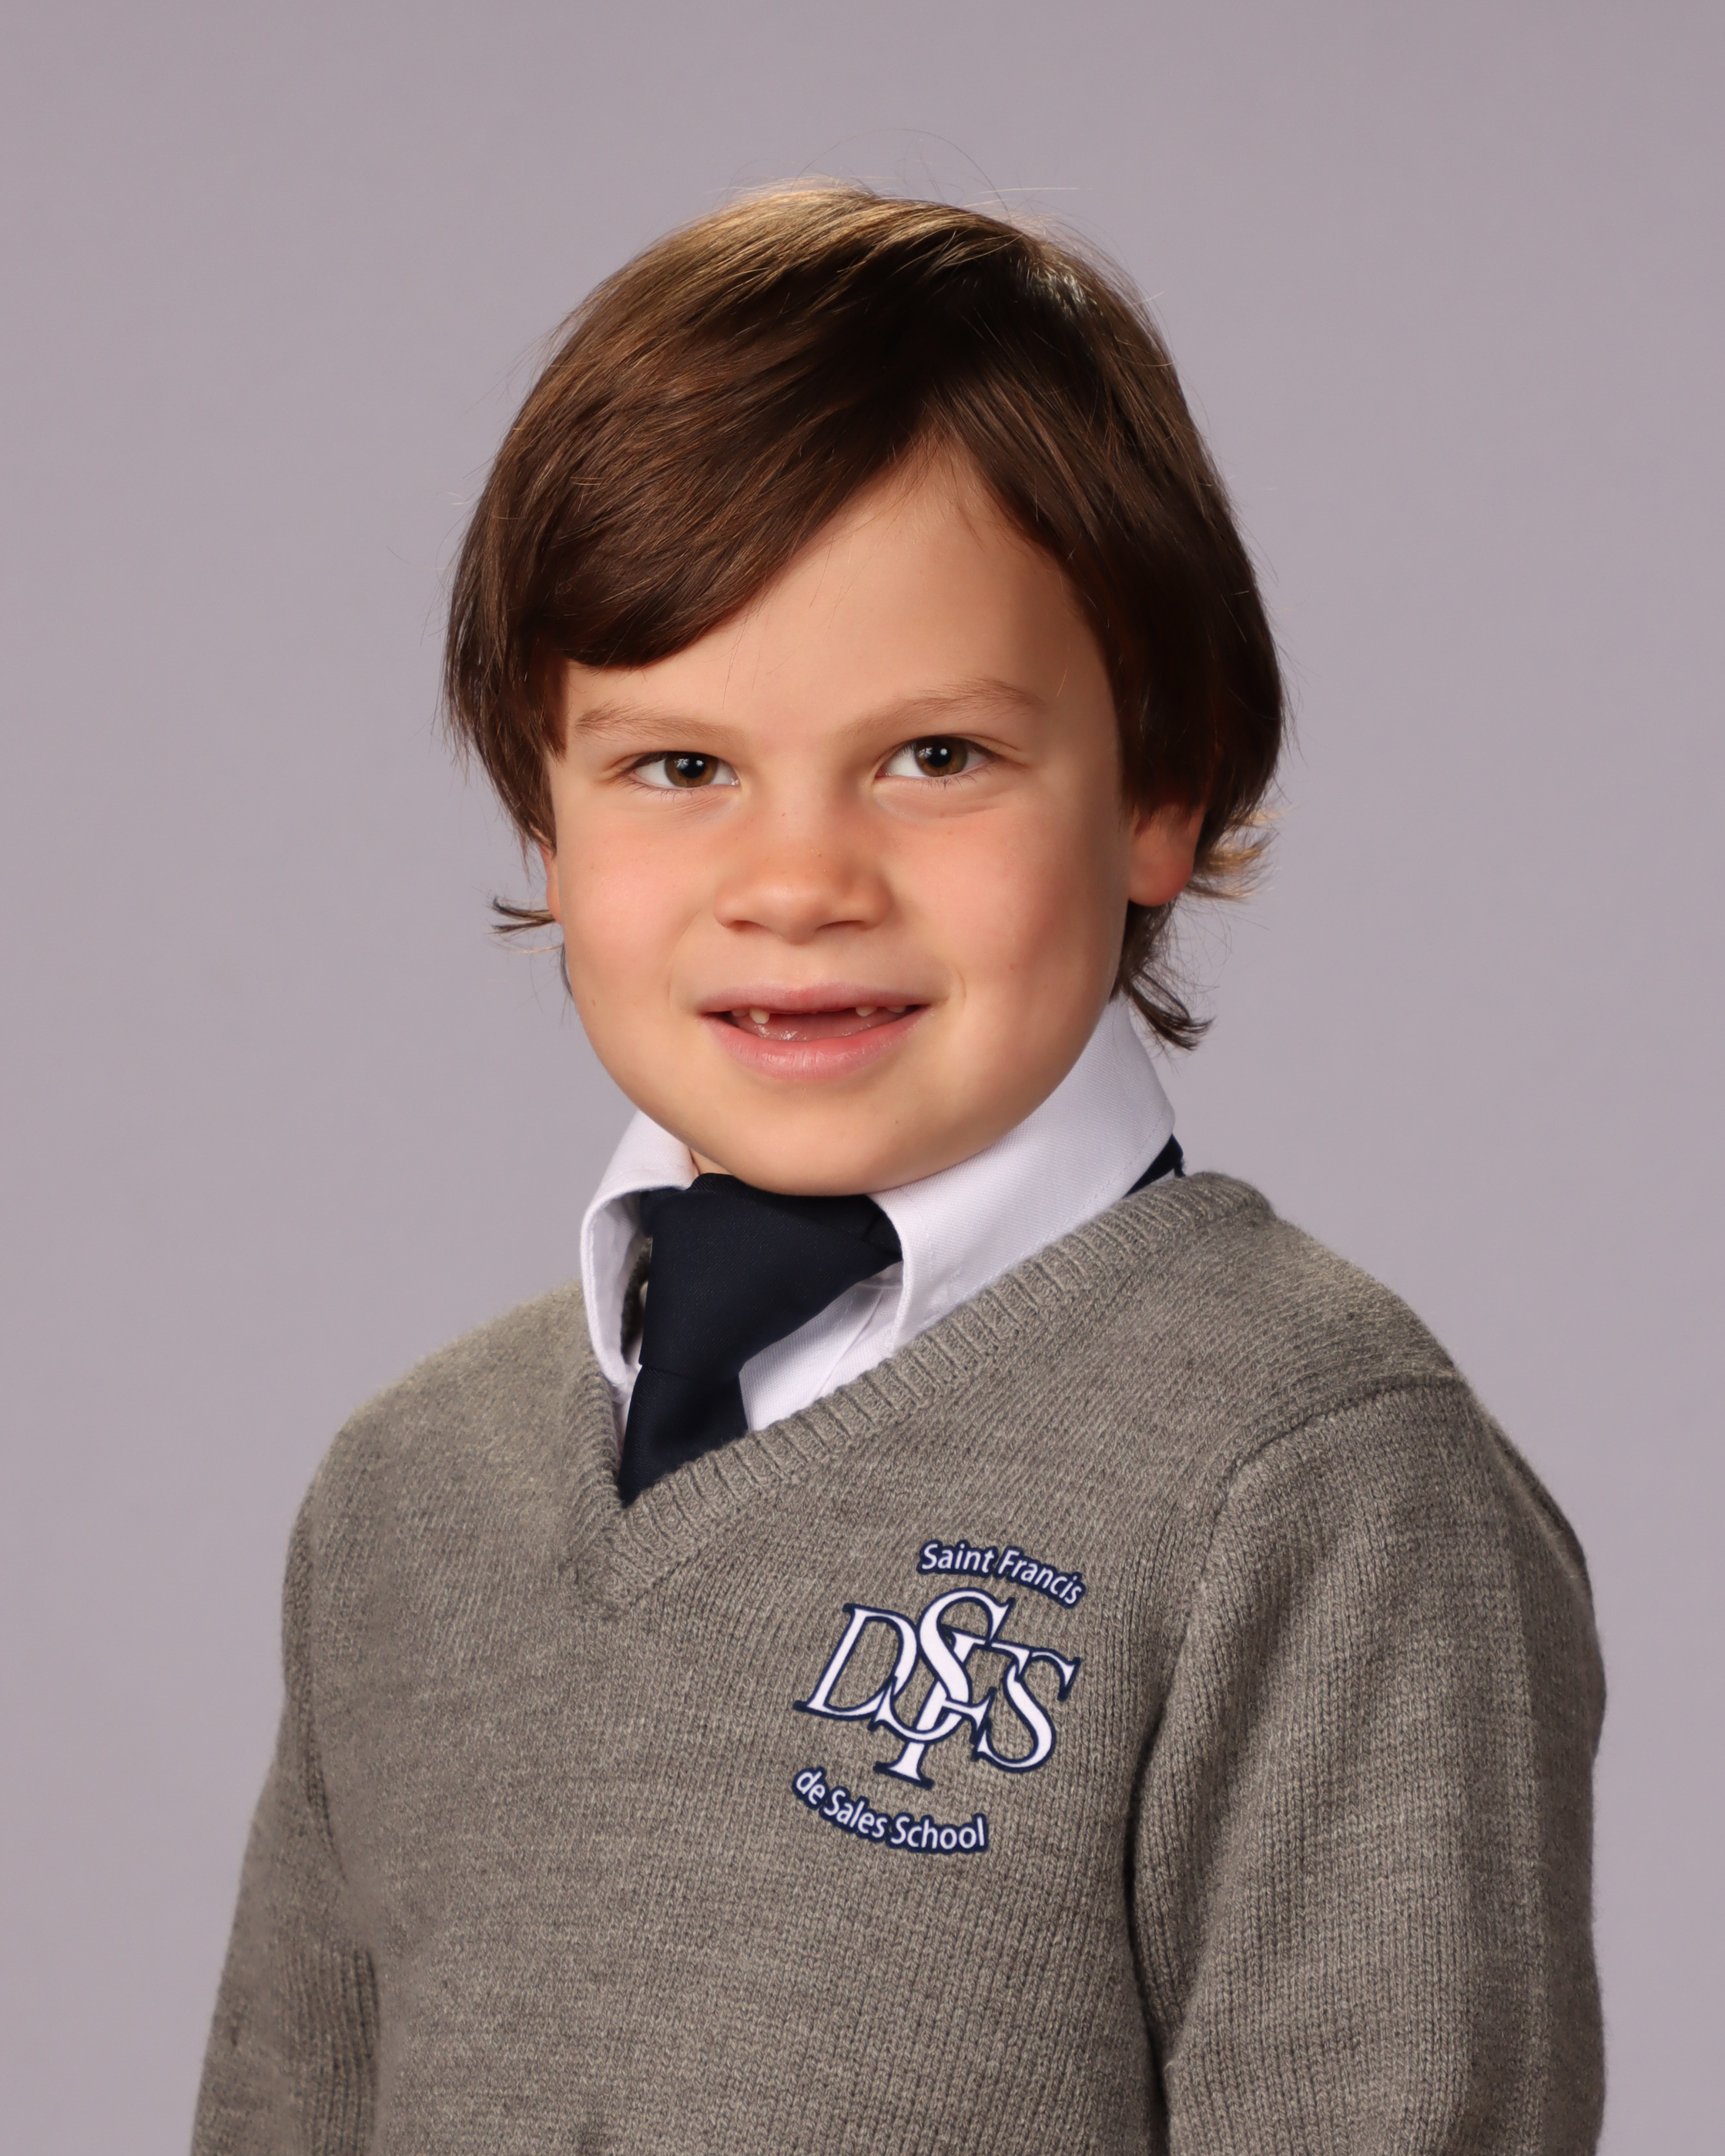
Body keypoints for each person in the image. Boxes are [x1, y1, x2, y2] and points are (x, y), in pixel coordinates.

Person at [193, 187, 1603, 2154]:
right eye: (679, 766)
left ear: (1163, 784)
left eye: (934, 755)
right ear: (542, 813)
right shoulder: (404, 1495)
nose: (796, 884)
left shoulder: (1313, 1478)